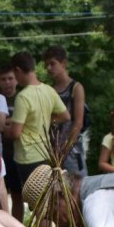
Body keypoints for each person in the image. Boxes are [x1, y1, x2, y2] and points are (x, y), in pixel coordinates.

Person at [6, 52, 70, 227]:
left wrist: (4, 129)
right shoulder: (48, 90)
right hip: (45, 154)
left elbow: (15, 132)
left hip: (27, 156)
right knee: (45, 203)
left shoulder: (23, 96)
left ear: (17, 70)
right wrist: (44, 122)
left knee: (38, 205)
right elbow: (65, 116)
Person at [43, 45, 87, 178]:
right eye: (46, 65)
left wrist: (65, 149)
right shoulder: (48, 89)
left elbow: (78, 123)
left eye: (52, 64)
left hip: (72, 149)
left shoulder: (76, 88)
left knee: (78, 188)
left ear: (64, 64)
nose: (49, 68)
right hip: (53, 148)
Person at [0, 61, 23, 223]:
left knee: (17, 195)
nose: (7, 82)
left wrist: (8, 122)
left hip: (18, 154)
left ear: (16, 80)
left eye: (10, 78)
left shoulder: (22, 98)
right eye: (3, 79)